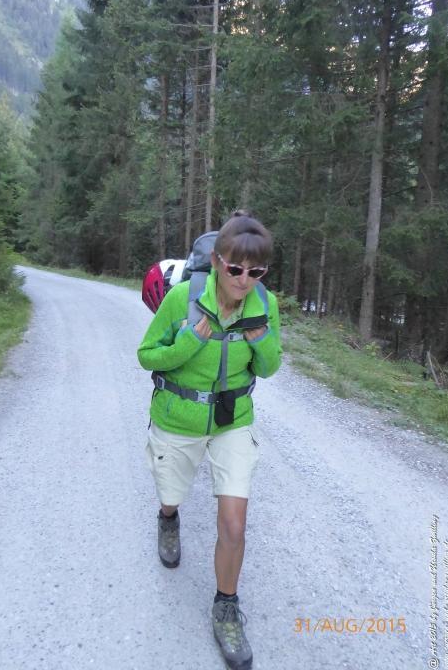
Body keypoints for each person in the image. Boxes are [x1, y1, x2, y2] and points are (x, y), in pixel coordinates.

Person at [137, 211, 282, 670]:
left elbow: (270, 366)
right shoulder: (183, 299)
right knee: (170, 493)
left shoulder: (265, 305)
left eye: (255, 271)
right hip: (178, 416)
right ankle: (168, 517)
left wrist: (260, 341)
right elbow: (146, 356)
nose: (244, 279)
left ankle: (226, 607)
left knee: (235, 524)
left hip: (232, 419)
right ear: (218, 261)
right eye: (236, 268)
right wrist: (189, 341)